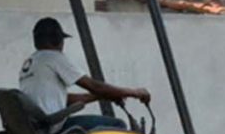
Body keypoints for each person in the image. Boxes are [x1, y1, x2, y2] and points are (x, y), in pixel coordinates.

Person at [18, 17, 152, 122]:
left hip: (38, 126)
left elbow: (63, 100)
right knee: (116, 125)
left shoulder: (31, 63)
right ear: (57, 39)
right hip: (52, 125)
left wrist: (101, 96)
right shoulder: (54, 57)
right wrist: (135, 92)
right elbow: (94, 86)